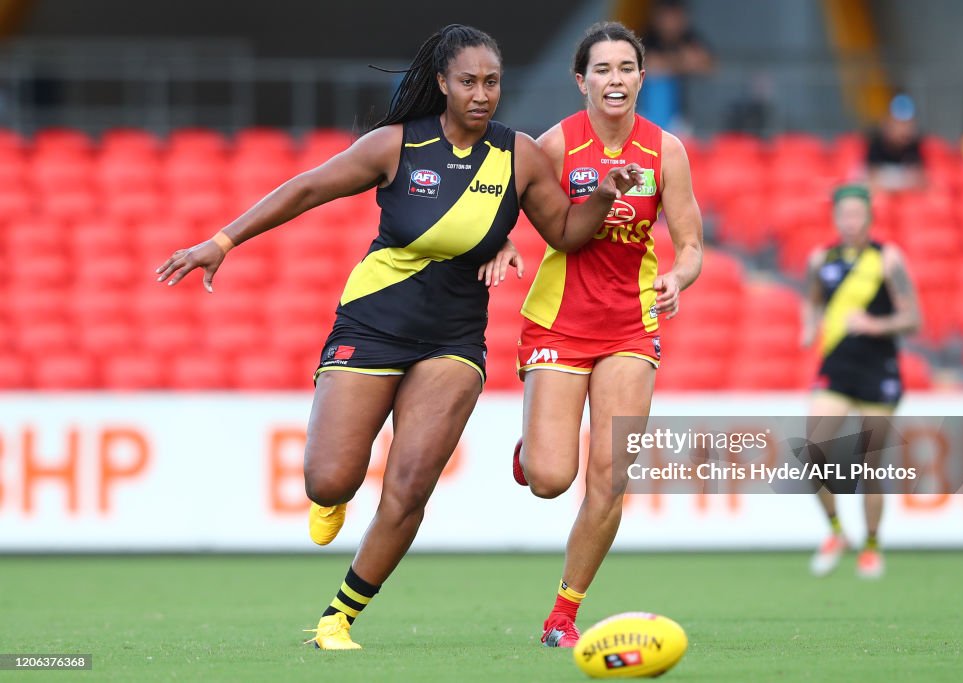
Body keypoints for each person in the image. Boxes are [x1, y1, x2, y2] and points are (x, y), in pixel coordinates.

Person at [155, 24, 644, 650]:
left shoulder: (519, 155)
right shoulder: (395, 145)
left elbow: (567, 236)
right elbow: (306, 188)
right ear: (442, 83)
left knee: (411, 483)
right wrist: (221, 242)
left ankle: (339, 617)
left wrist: (601, 196)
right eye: (468, 81)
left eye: (492, 82)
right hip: (374, 321)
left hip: (454, 337)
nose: (481, 94)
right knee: (328, 479)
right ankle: (330, 496)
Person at [510, 22, 703, 647]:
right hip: (560, 322)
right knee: (549, 478)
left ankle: (562, 615)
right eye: (603, 69)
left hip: (629, 323)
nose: (615, 79)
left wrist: (678, 276)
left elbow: (692, 242)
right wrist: (496, 251)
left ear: (642, 78)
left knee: (610, 477)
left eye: (626, 68)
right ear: (581, 80)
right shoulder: (557, 144)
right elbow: (503, 210)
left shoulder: (666, 150)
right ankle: (531, 451)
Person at [800, 184, 922, 580]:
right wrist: (809, 325)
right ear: (835, 218)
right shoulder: (821, 258)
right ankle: (837, 532)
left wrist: (874, 324)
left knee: (871, 466)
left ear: (868, 216)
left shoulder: (887, 259)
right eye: (844, 215)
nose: (850, 221)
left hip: (878, 370)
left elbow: (913, 319)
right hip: (837, 367)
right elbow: (813, 299)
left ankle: (871, 545)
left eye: (857, 214)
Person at [638, 0, 715, 132]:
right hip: (648, 111)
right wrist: (681, 62)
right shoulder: (647, 37)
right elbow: (647, 64)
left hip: (685, 115)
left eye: (676, 17)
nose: (671, 23)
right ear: (658, 18)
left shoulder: (690, 37)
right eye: (667, 17)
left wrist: (667, 64)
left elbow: (709, 65)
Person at [865, 94, 926, 192]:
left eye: (907, 124)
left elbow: (920, 180)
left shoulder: (915, 145)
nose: (904, 129)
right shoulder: (876, 143)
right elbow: (871, 178)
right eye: (900, 124)